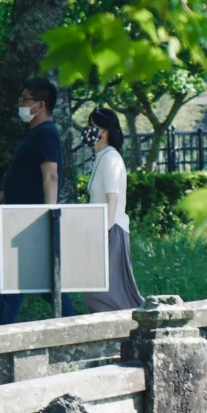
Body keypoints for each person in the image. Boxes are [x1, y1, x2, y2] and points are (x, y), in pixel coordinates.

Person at [0, 77, 64, 324]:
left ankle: (0, 337)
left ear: (40, 105)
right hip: (18, 218)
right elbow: (18, 179)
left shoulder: (47, 134)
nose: (20, 103)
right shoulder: (34, 135)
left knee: (16, 284)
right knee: (43, 284)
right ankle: (73, 326)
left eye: (24, 99)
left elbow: (50, 175)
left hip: (28, 222)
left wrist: (49, 215)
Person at [78, 106, 145, 312]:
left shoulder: (111, 158)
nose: (86, 129)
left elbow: (112, 197)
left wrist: (104, 233)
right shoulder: (101, 157)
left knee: (102, 294)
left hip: (110, 230)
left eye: (91, 125)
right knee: (100, 291)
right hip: (102, 231)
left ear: (103, 132)